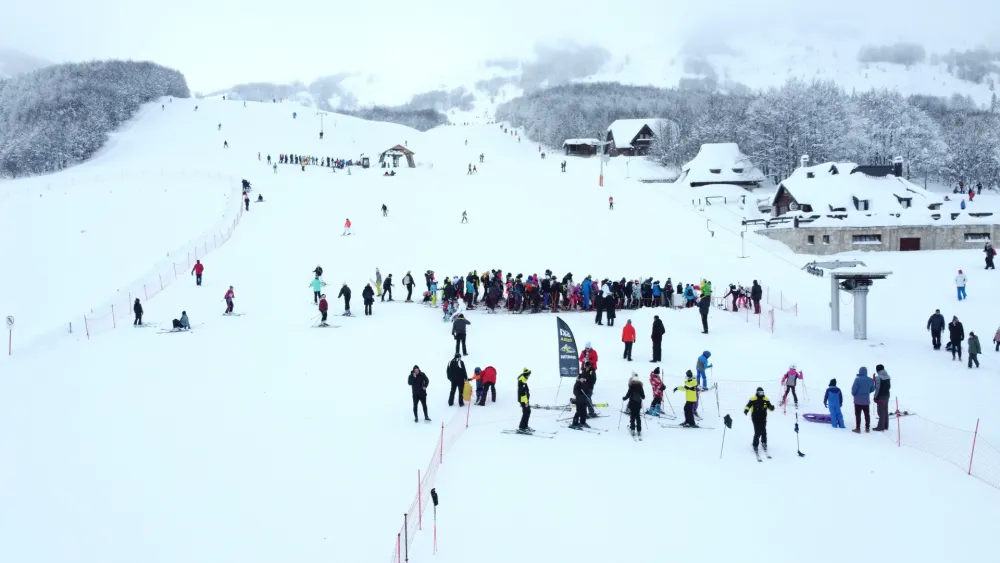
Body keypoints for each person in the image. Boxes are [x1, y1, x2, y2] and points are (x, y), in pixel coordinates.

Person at [744, 387, 775, 457]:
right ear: (757, 392)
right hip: (755, 417)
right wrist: (746, 410)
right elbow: (748, 405)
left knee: (763, 430)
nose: (761, 394)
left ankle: (764, 442)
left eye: (762, 392)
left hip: (763, 417)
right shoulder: (753, 399)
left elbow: (769, 407)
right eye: (760, 392)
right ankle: (755, 444)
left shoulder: (766, 399)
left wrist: (772, 408)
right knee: (757, 431)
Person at [850, 367, 875, 433]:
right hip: (866, 401)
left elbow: (853, 390)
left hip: (857, 401)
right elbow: (873, 389)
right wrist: (867, 392)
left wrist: (854, 394)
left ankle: (858, 428)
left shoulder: (857, 380)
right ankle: (867, 428)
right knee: (867, 415)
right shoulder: (870, 380)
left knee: (858, 415)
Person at [873, 364, 892, 430]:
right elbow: (889, 386)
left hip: (881, 396)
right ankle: (886, 426)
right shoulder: (888, 377)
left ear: (877, 370)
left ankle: (880, 427)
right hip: (887, 395)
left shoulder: (878, 377)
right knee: (885, 411)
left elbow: (877, 388)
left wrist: (875, 397)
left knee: (880, 411)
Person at [517, 368, 532, 433]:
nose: (529, 376)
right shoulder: (522, 381)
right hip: (523, 400)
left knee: (527, 412)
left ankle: (524, 426)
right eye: (529, 375)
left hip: (525, 400)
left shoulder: (523, 380)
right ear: (526, 375)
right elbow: (522, 393)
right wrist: (526, 402)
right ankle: (522, 427)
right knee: (526, 412)